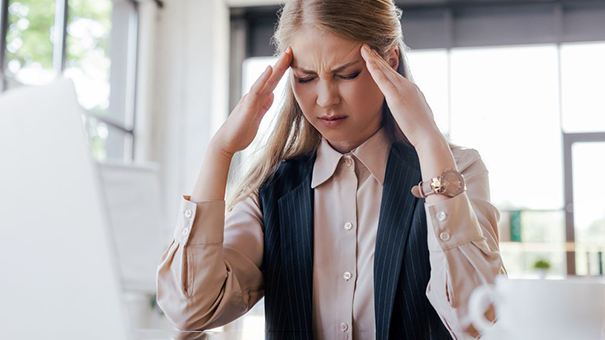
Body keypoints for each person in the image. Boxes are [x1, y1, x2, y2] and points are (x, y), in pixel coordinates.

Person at [156, 0, 506, 339]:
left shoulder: (456, 170)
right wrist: (221, 150)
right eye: (306, 78)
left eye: (347, 74)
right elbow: (191, 310)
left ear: (390, 62)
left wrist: (429, 142)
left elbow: (477, 322)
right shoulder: (271, 190)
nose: (325, 100)